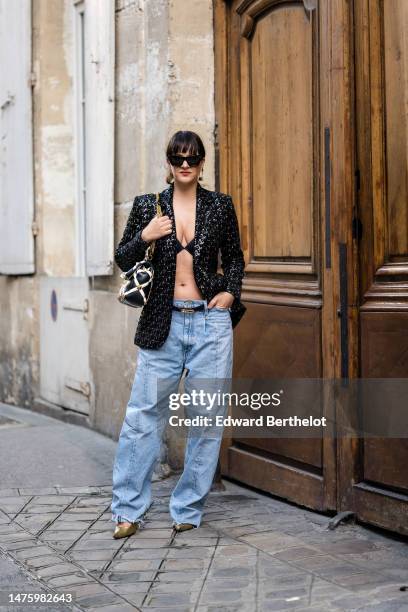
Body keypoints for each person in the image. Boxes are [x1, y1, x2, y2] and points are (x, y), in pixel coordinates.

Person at [110, 130, 246, 538]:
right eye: (177, 157)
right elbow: (122, 257)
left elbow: (235, 259)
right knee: (143, 417)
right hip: (162, 322)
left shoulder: (220, 206)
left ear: (202, 163)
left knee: (206, 417)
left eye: (192, 157)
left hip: (209, 323)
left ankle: (187, 507)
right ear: (168, 163)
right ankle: (128, 510)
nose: (185, 164)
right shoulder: (147, 206)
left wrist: (229, 293)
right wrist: (145, 235)